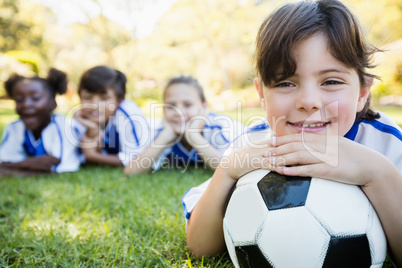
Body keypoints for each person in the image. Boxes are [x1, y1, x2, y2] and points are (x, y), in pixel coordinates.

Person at [183, 0, 402, 266]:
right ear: (262, 95)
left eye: (331, 81)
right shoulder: (254, 145)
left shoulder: (387, 143)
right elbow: (200, 249)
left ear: (362, 93)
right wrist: (228, 170)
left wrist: (378, 173)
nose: (308, 101)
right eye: (286, 83)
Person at [124, 75, 244, 174]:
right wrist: (165, 137)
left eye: (187, 105)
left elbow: (231, 170)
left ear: (204, 107)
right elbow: (131, 172)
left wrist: (194, 136)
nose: (178, 112)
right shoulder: (163, 130)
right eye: (171, 106)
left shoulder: (219, 128)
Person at [0, 68, 82, 175]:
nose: (26, 104)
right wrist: (29, 163)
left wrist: (9, 169)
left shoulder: (63, 126)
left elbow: (58, 168)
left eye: (35, 98)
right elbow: (4, 159)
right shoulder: (14, 127)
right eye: (19, 100)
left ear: (53, 103)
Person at [74, 65, 150, 167]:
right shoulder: (81, 119)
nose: (94, 105)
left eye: (104, 98)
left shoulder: (127, 113)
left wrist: (92, 155)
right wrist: (92, 131)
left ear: (119, 100)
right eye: (87, 97)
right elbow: (80, 160)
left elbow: (139, 160)